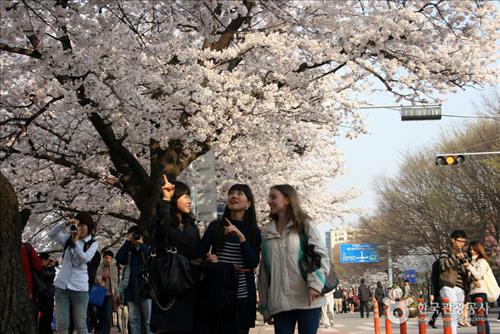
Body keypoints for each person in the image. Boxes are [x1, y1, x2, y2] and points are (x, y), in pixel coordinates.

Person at [258, 184, 330, 334]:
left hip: (307, 299)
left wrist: (315, 284)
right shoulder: (267, 232)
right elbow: (264, 272)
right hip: (280, 302)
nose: (269, 201)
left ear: (287, 200)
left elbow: (320, 254)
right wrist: (265, 305)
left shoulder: (305, 226)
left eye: (273, 197)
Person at [197, 184, 261, 334]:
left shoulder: (253, 231)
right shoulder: (216, 226)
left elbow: (252, 262)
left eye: (240, 194)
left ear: (249, 203)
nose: (234, 196)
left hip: (243, 292)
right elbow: (199, 254)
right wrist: (209, 258)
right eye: (231, 193)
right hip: (217, 289)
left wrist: (241, 238)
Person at [148, 176, 200, 334]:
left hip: (189, 287)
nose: (189, 201)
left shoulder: (192, 227)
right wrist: (165, 198)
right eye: (185, 196)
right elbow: (162, 231)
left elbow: (196, 252)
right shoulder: (161, 224)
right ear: (174, 198)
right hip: (168, 285)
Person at [48, 212, 99, 334]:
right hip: (61, 287)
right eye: (78, 225)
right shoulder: (67, 239)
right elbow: (51, 234)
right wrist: (66, 223)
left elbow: (85, 258)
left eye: (83, 225)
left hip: (80, 289)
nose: (80, 228)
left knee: (80, 325)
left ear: (89, 227)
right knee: (62, 325)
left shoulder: (92, 243)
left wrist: (75, 243)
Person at [115, 226, 151, 334]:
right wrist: (127, 242)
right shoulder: (128, 250)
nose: (135, 237)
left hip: (146, 290)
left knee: (148, 321)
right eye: (132, 235)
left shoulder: (147, 248)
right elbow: (119, 258)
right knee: (133, 320)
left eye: (136, 235)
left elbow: (149, 257)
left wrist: (142, 243)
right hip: (131, 289)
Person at [439, 230, 469, 334]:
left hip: (460, 288)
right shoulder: (446, 251)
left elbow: (466, 274)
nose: (462, 244)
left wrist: (466, 264)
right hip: (449, 286)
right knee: (451, 314)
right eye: (460, 241)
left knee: (457, 315)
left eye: (464, 242)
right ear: (453, 240)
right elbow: (442, 266)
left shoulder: (464, 254)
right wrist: (455, 257)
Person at [464, 241, 492, 334]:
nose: (472, 251)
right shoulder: (471, 261)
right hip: (473, 292)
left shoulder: (482, 261)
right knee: (478, 318)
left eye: (474, 249)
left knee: (483, 317)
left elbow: (478, 275)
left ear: (478, 250)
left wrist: (469, 267)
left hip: (480, 292)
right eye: (470, 249)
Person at [95, 250, 119, 334]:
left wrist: (116, 295)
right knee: (100, 315)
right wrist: (101, 277)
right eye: (106, 258)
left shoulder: (114, 267)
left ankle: (106, 332)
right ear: (103, 258)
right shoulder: (99, 266)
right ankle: (100, 330)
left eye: (110, 258)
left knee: (107, 315)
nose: (108, 260)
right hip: (99, 293)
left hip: (109, 294)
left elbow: (116, 282)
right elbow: (95, 280)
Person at [37, 252, 56, 334]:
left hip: (47, 295)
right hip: (45, 296)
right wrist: (52, 266)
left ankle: (47, 330)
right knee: (46, 316)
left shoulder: (43, 268)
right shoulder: (40, 269)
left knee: (48, 316)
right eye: (48, 260)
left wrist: (51, 267)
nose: (49, 262)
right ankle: (44, 331)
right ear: (43, 260)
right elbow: (50, 276)